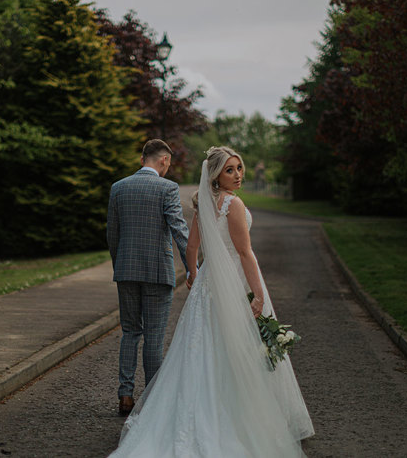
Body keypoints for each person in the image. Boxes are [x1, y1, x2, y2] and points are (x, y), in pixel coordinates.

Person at [109, 146, 314, 457]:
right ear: (216, 174)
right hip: (232, 280)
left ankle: (157, 404)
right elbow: (244, 253)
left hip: (206, 282)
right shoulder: (232, 203)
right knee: (231, 347)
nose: (238, 175)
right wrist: (258, 293)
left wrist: (194, 274)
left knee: (195, 347)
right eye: (230, 170)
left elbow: (192, 246)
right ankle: (235, 417)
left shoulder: (205, 202)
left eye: (239, 168)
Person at [106, 139, 190, 416]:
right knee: (153, 337)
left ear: (143, 159)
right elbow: (178, 229)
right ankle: (153, 398)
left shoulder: (118, 188)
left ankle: (125, 396)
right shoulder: (168, 188)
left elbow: (113, 234)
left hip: (126, 271)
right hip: (157, 272)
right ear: (164, 160)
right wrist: (194, 265)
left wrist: (121, 265)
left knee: (130, 332)